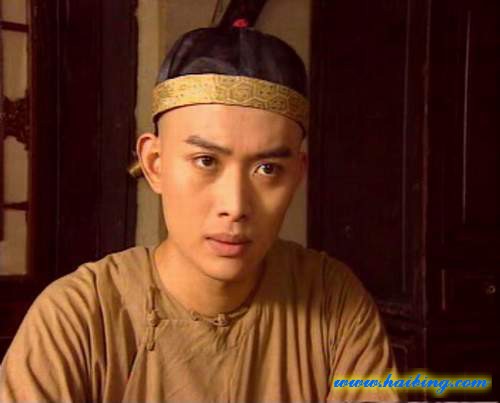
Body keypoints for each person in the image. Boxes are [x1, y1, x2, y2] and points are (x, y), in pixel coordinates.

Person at [0, 24, 398, 402]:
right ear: (155, 163)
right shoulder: (80, 318)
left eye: (268, 169)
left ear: (297, 175)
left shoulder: (334, 302)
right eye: (206, 161)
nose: (235, 206)